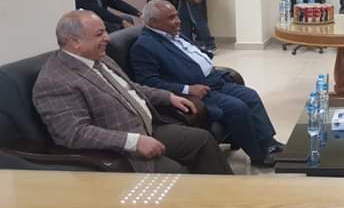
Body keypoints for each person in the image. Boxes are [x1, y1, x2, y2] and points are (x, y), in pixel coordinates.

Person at [32, 10, 233, 174]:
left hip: (149, 128)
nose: (107, 38)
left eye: (105, 31)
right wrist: (133, 142)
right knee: (176, 173)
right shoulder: (55, 81)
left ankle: (229, 198)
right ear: (74, 41)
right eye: (99, 34)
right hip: (121, 151)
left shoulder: (99, 58)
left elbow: (130, 87)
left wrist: (168, 96)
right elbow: (74, 134)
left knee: (203, 140)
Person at [130, 0, 283, 167]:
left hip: (214, 80)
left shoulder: (173, 33)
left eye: (177, 16)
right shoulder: (144, 46)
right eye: (171, 18)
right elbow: (148, 82)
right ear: (154, 22)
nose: (178, 21)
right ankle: (259, 156)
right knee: (237, 107)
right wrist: (187, 89)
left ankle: (270, 144)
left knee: (250, 95)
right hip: (197, 91)